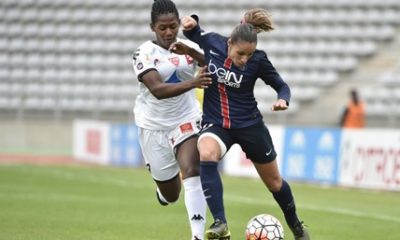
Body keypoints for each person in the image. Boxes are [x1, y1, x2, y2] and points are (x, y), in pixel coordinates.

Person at [172, 8, 311, 240]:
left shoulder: (259, 60)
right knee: (206, 152)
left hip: (249, 125)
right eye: (240, 53)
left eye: (249, 54)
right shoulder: (212, 42)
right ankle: (220, 223)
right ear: (229, 43)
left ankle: (296, 226)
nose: (244, 60)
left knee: (275, 183)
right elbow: (192, 30)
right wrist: (191, 20)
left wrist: (283, 99)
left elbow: (281, 85)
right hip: (216, 124)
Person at [132, 1, 212, 239]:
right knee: (171, 195)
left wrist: (193, 52)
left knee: (192, 169)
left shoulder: (187, 46)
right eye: (162, 28)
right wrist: (193, 83)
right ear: (152, 27)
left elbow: (214, 63)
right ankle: (162, 192)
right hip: (153, 127)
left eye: (173, 26)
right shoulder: (143, 53)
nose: (168, 32)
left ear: (179, 24)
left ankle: (197, 235)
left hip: (186, 119)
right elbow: (156, 89)